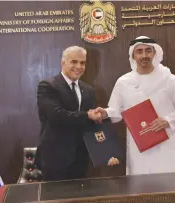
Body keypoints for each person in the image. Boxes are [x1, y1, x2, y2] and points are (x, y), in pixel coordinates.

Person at [95, 36, 175, 175]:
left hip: (166, 145)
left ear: (154, 53)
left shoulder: (169, 79)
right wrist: (105, 113)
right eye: (139, 52)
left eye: (148, 51)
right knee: (140, 189)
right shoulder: (123, 82)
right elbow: (116, 112)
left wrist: (168, 120)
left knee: (171, 187)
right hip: (138, 148)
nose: (144, 55)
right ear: (133, 56)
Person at [35, 46, 118, 181]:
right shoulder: (47, 86)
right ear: (63, 63)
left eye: (82, 63)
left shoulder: (88, 90)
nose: (79, 66)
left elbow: (92, 126)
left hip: (81, 158)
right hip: (55, 158)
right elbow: (56, 116)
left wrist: (106, 153)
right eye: (74, 62)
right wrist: (88, 115)